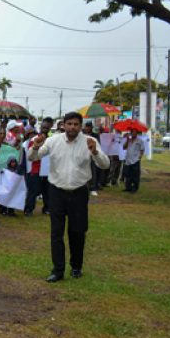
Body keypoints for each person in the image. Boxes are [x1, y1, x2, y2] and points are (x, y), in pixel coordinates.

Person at [29, 112, 109, 283]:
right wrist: (35, 146)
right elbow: (32, 157)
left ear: (80, 126)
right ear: (63, 125)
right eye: (69, 124)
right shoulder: (53, 141)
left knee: (77, 231)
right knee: (56, 233)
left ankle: (76, 266)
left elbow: (105, 164)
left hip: (79, 192)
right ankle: (58, 270)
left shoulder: (89, 141)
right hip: (57, 192)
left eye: (76, 124)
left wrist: (95, 152)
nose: (72, 127)